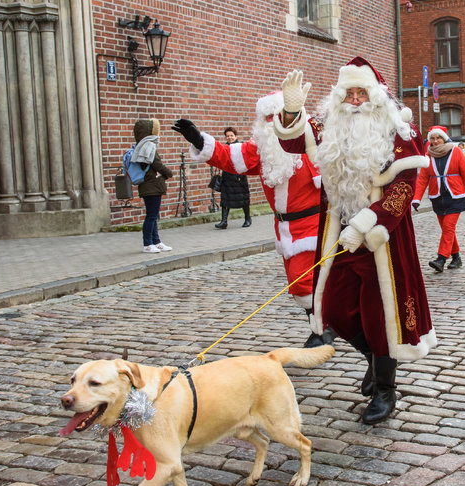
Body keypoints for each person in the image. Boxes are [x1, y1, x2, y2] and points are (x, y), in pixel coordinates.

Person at [274, 57, 436, 424]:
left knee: (381, 317)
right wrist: (291, 111)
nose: (356, 99)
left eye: (363, 92)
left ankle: (385, 390)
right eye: (350, 93)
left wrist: (366, 224)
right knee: (333, 309)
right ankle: (374, 360)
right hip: (338, 232)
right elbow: (295, 141)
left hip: (382, 238)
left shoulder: (399, 129)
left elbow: (403, 188)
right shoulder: (331, 124)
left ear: (375, 95)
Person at [172, 92, 334, 348]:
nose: (271, 123)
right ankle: (323, 325)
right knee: (299, 283)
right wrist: (199, 140)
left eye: (276, 116)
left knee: (304, 281)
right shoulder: (261, 148)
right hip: (284, 227)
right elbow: (229, 156)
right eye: (266, 118)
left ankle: (323, 329)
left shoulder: (313, 142)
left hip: (314, 222)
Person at [413, 126, 465, 272]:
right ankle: (456, 257)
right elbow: (423, 178)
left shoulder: (455, 152)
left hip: (455, 195)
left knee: (448, 227)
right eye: (433, 138)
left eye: (438, 138)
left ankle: (441, 259)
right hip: (437, 197)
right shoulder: (428, 155)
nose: (436, 141)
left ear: (444, 138)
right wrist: (416, 198)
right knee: (446, 229)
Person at [132, 119, 173, 254]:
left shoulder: (142, 145)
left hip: (149, 185)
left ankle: (156, 241)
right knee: (151, 216)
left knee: (153, 216)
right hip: (151, 186)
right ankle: (148, 244)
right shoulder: (148, 146)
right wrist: (168, 173)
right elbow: (157, 164)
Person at [213, 127, 252, 229]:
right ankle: (224, 221)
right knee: (225, 199)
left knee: (243, 198)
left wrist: (240, 175)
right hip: (227, 177)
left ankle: (248, 218)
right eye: (227, 136)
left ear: (236, 136)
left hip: (239, 177)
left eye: (231, 135)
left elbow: (244, 162)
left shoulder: (241, 147)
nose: (229, 138)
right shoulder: (225, 147)